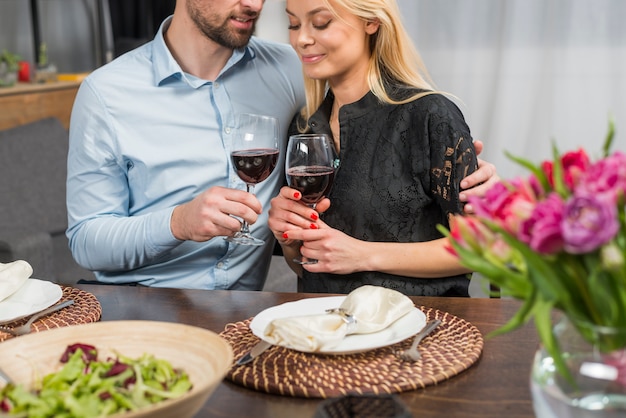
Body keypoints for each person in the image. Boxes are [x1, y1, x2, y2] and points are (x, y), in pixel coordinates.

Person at [66, 0, 497, 290]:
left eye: (318, 23)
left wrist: (478, 184)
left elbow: (482, 240)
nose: (254, 4)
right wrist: (178, 223)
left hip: (257, 311)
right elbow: (87, 240)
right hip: (145, 301)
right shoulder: (107, 92)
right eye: (293, 24)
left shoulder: (296, 69)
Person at [268, 0, 482, 296]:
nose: (301, 39)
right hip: (325, 328)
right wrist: (288, 240)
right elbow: (305, 267)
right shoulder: (304, 126)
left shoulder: (430, 114)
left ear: (371, 22)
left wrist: (362, 255)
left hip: (421, 329)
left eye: (320, 22)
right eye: (293, 24)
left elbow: (478, 249)